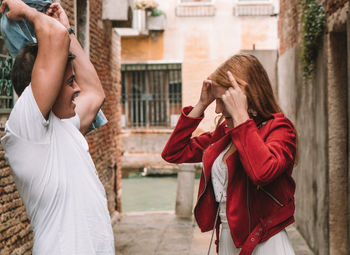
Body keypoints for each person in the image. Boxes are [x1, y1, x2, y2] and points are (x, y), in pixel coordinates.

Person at [0, 1, 115, 254]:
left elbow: (95, 94)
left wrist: (69, 32)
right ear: (44, 86)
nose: (77, 89)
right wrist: (27, 11)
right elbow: (54, 38)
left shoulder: (66, 126)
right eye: (70, 82)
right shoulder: (26, 129)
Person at [162, 53, 297, 255]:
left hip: (265, 244)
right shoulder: (226, 133)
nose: (216, 109)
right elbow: (174, 153)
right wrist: (201, 104)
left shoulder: (280, 129)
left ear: (244, 96)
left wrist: (241, 116)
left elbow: (262, 172)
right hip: (227, 240)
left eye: (221, 100)